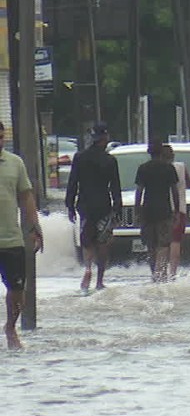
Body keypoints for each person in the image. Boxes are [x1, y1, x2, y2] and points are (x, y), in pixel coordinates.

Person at [0, 121, 45, 350]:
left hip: (11, 239)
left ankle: (10, 328)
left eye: (1, 138)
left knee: (17, 291)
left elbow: (26, 197)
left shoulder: (15, 163)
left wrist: (35, 227)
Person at [65, 122, 123, 292]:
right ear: (105, 138)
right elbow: (115, 187)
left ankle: (88, 267)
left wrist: (69, 205)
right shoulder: (110, 160)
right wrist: (117, 209)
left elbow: (72, 183)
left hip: (85, 206)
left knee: (87, 241)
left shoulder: (80, 157)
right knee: (103, 242)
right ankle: (99, 280)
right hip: (104, 205)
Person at [133, 140, 181, 283]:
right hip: (164, 210)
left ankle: (154, 272)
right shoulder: (168, 169)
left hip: (147, 211)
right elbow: (174, 191)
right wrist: (177, 211)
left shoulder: (143, 168)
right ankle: (161, 273)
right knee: (163, 244)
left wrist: (137, 210)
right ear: (161, 152)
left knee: (150, 245)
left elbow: (139, 191)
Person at [161, 144, 190, 282]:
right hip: (179, 209)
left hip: (163, 209)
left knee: (162, 242)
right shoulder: (181, 167)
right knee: (175, 241)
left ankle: (160, 273)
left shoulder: (159, 169)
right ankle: (173, 273)